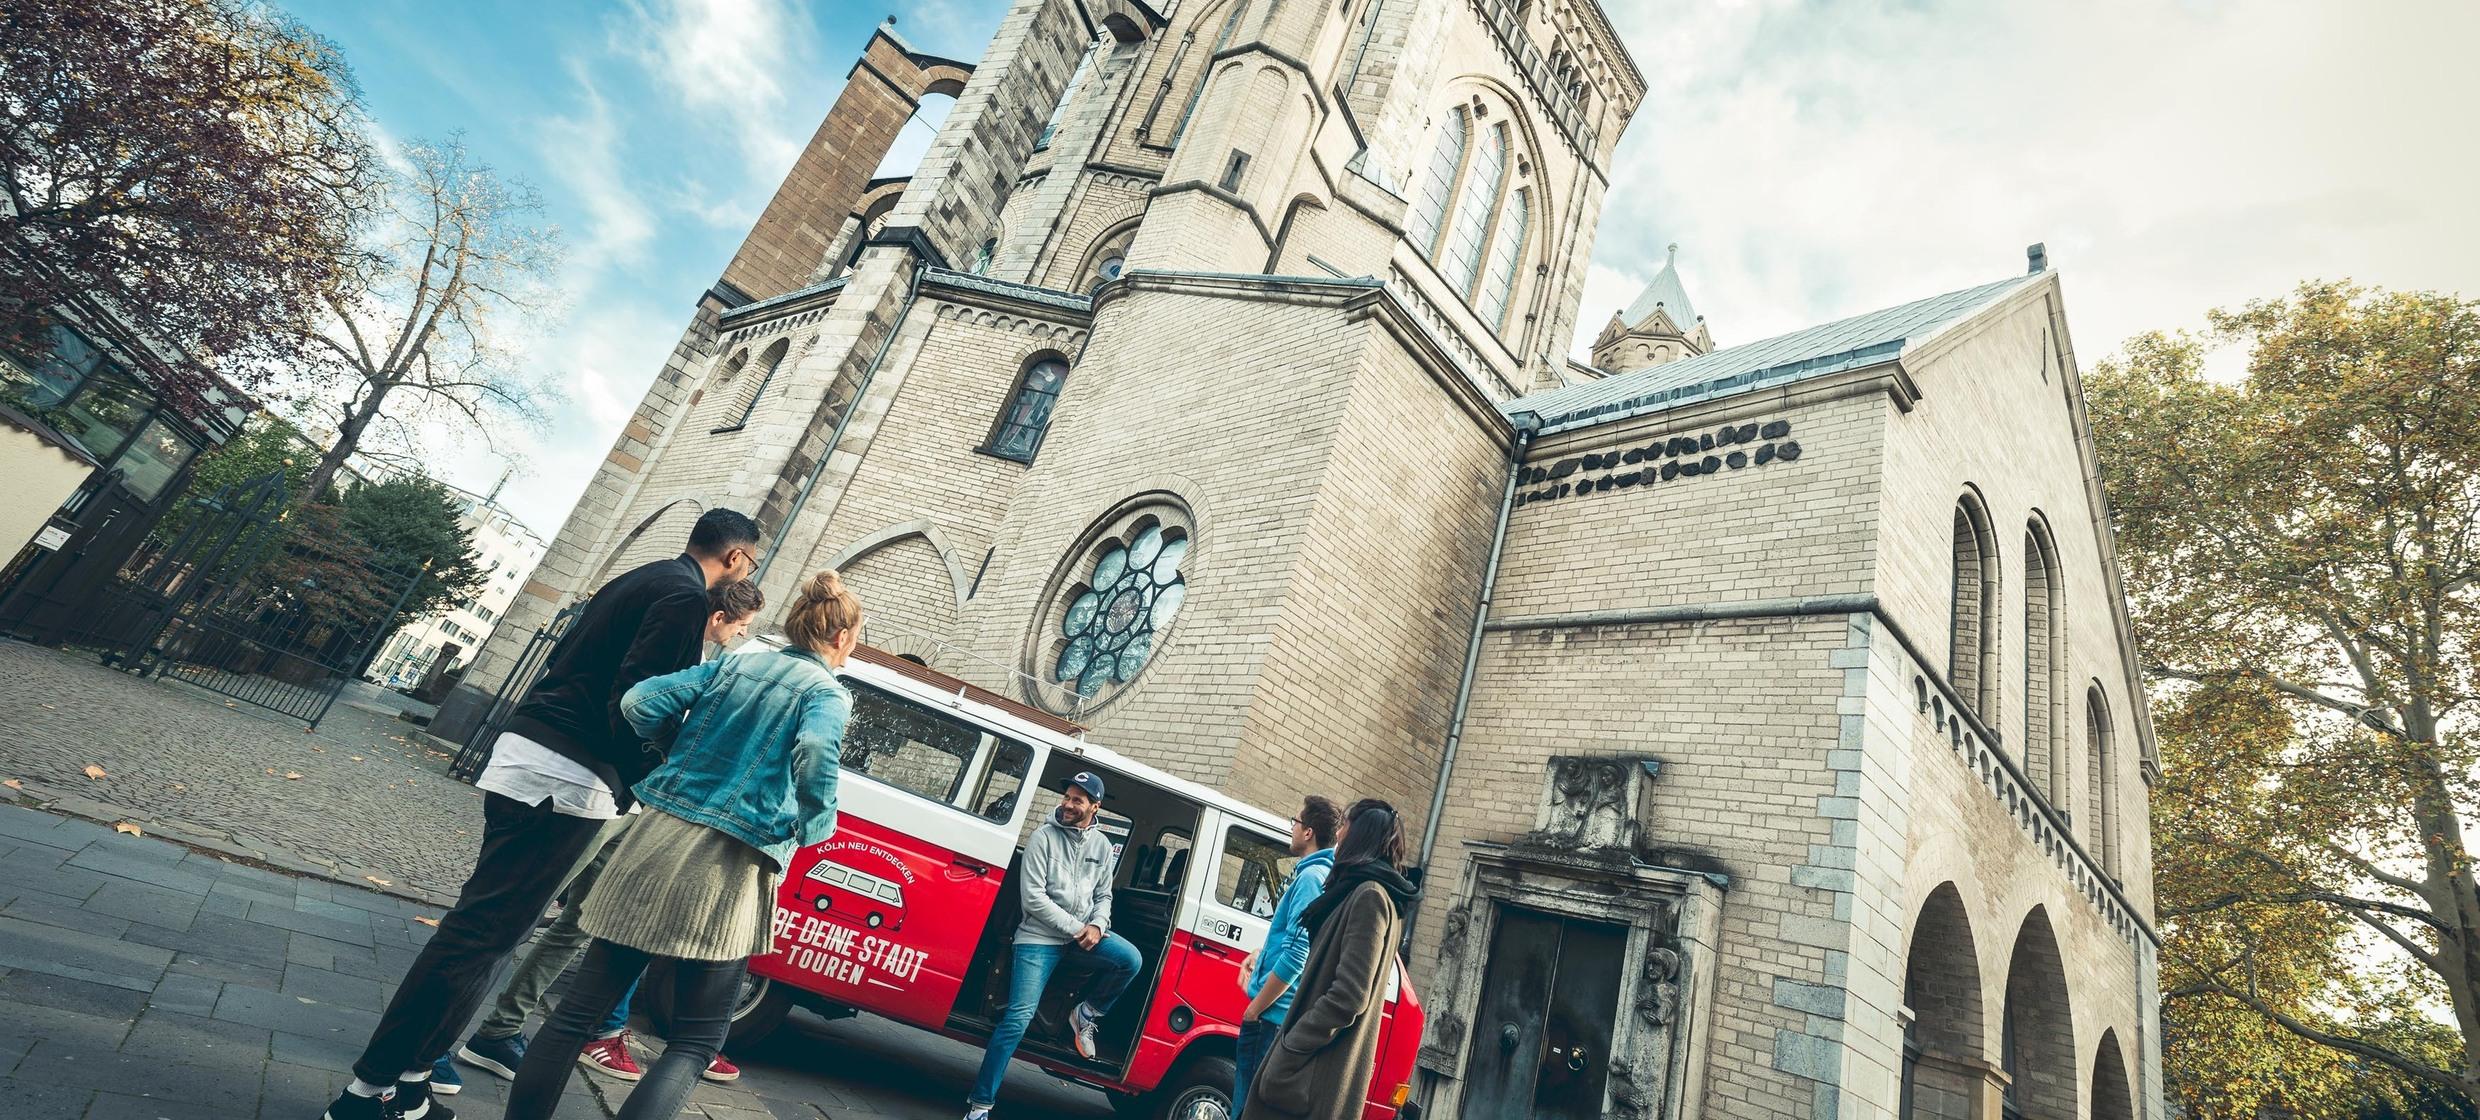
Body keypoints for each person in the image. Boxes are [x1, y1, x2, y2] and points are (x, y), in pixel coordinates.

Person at [322, 509, 761, 1120]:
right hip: (567, 776)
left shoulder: (640, 577)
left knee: (489, 934)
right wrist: (650, 781)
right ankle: (366, 1093)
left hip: (534, 756)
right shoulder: (684, 597)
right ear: (736, 558)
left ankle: (412, 1079)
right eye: (751, 562)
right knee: (479, 936)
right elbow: (637, 703)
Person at [503, 570, 860, 1120]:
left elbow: (640, 702)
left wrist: (672, 753)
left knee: (574, 1017)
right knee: (695, 1042)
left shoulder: (737, 662)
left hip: (655, 839)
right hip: (727, 865)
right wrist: (814, 825)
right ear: (842, 639)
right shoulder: (826, 694)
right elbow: (815, 752)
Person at [445, 578, 767, 1093]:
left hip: (630, 803)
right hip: (604, 790)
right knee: (523, 911)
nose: (740, 638)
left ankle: (497, 1030)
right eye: (742, 627)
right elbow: (637, 704)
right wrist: (662, 748)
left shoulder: (709, 656)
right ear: (721, 616)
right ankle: (437, 1043)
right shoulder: (691, 646)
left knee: (580, 922)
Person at [964, 772, 1142, 1120]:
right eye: (1067, 797)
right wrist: (1079, 928)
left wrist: (1098, 924)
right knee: (1018, 1018)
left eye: (1078, 800)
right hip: (1039, 937)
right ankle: (980, 1106)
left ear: (1095, 806)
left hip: (1081, 936)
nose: (1069, 804)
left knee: (1130, 960)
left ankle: (1087, 1013)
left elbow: (1104, 895)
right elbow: (1033, 900)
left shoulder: (1103, 847)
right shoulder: (1042, 837)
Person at [1239, 800, 1420, 1120]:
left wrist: (1291, 1046)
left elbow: (1349, 996)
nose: (1338, 834)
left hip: (1313, 1076)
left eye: (1343, 826)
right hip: (1310, 1073)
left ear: (1358, 833)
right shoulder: (1364, 891)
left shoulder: (1371, 896)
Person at [1233, 796, 1342, 1116]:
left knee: (1246, 1110)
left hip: (1269, 1018)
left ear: (1308, 832)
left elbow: (1298, 954)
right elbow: (1295, 940)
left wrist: (1255, 1009)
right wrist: (1261, 952)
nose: (1291, 827)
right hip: (1275, 1016)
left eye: (1294, 822)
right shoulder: (1316, 874)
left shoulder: (1311, 879)